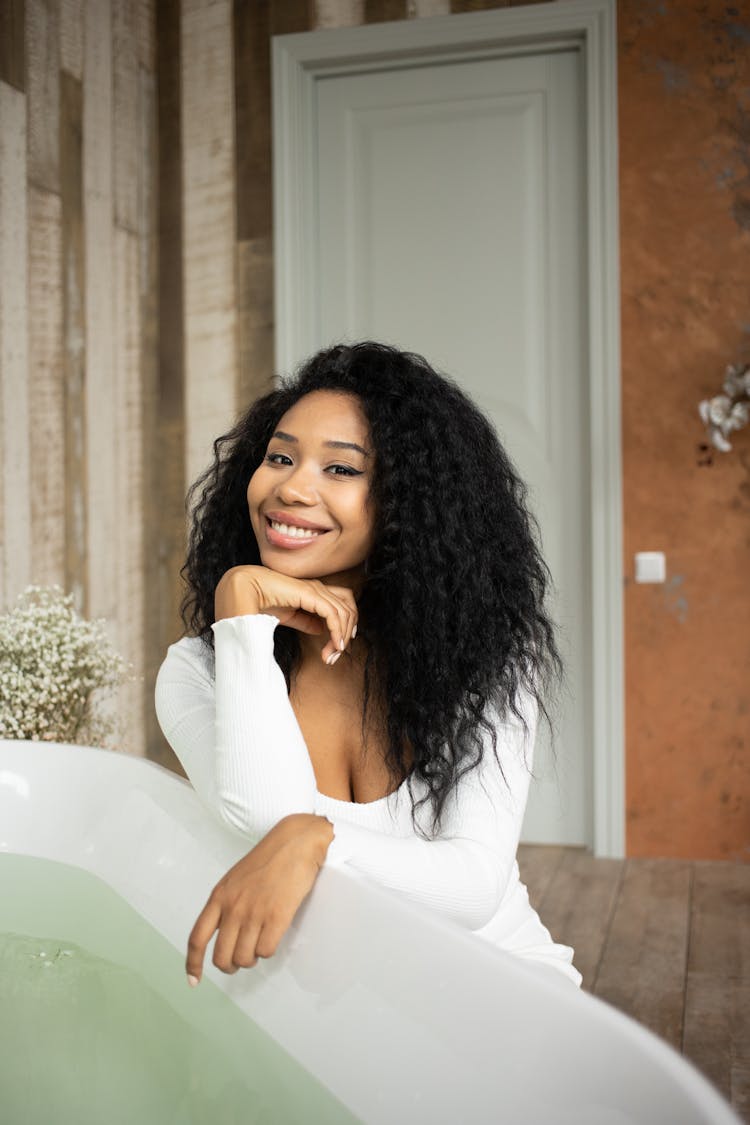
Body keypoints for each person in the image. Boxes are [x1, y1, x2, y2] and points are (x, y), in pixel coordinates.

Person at [154, 341, 582, 990]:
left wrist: (317, 838)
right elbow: (265, 818)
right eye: (280, 456)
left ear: (407, 503)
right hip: (347, 1010)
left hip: (505, 986)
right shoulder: (197, 671)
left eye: (342, 470)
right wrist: (240, 611)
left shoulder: (486, 662)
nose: (292, 487)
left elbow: (473, 885)